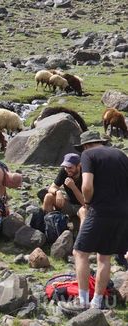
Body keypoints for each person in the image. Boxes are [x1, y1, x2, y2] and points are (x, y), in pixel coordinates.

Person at [58, 131, 128, 315]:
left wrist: (87, 203)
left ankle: (82, 301)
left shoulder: (88, 155)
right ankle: (97, 303)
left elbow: (87, 185)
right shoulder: (121, 154)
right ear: (101, 142)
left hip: (100, 210)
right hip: (122, 212)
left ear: (86, 146)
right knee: (104, 257)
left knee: (80, 252)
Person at [42, 153, 86, 226]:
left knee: (84, 212)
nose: (67, 170)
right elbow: (52, 188)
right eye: (65, 167)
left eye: (70, 167)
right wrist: (58, 192)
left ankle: (83, 236)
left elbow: (85, 203)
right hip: (69, 203)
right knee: (48, 197)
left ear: (79, 165)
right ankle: (48, 228)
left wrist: (73, 187)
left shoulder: (85, 175)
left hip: (81, 207)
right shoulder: (64, 171)